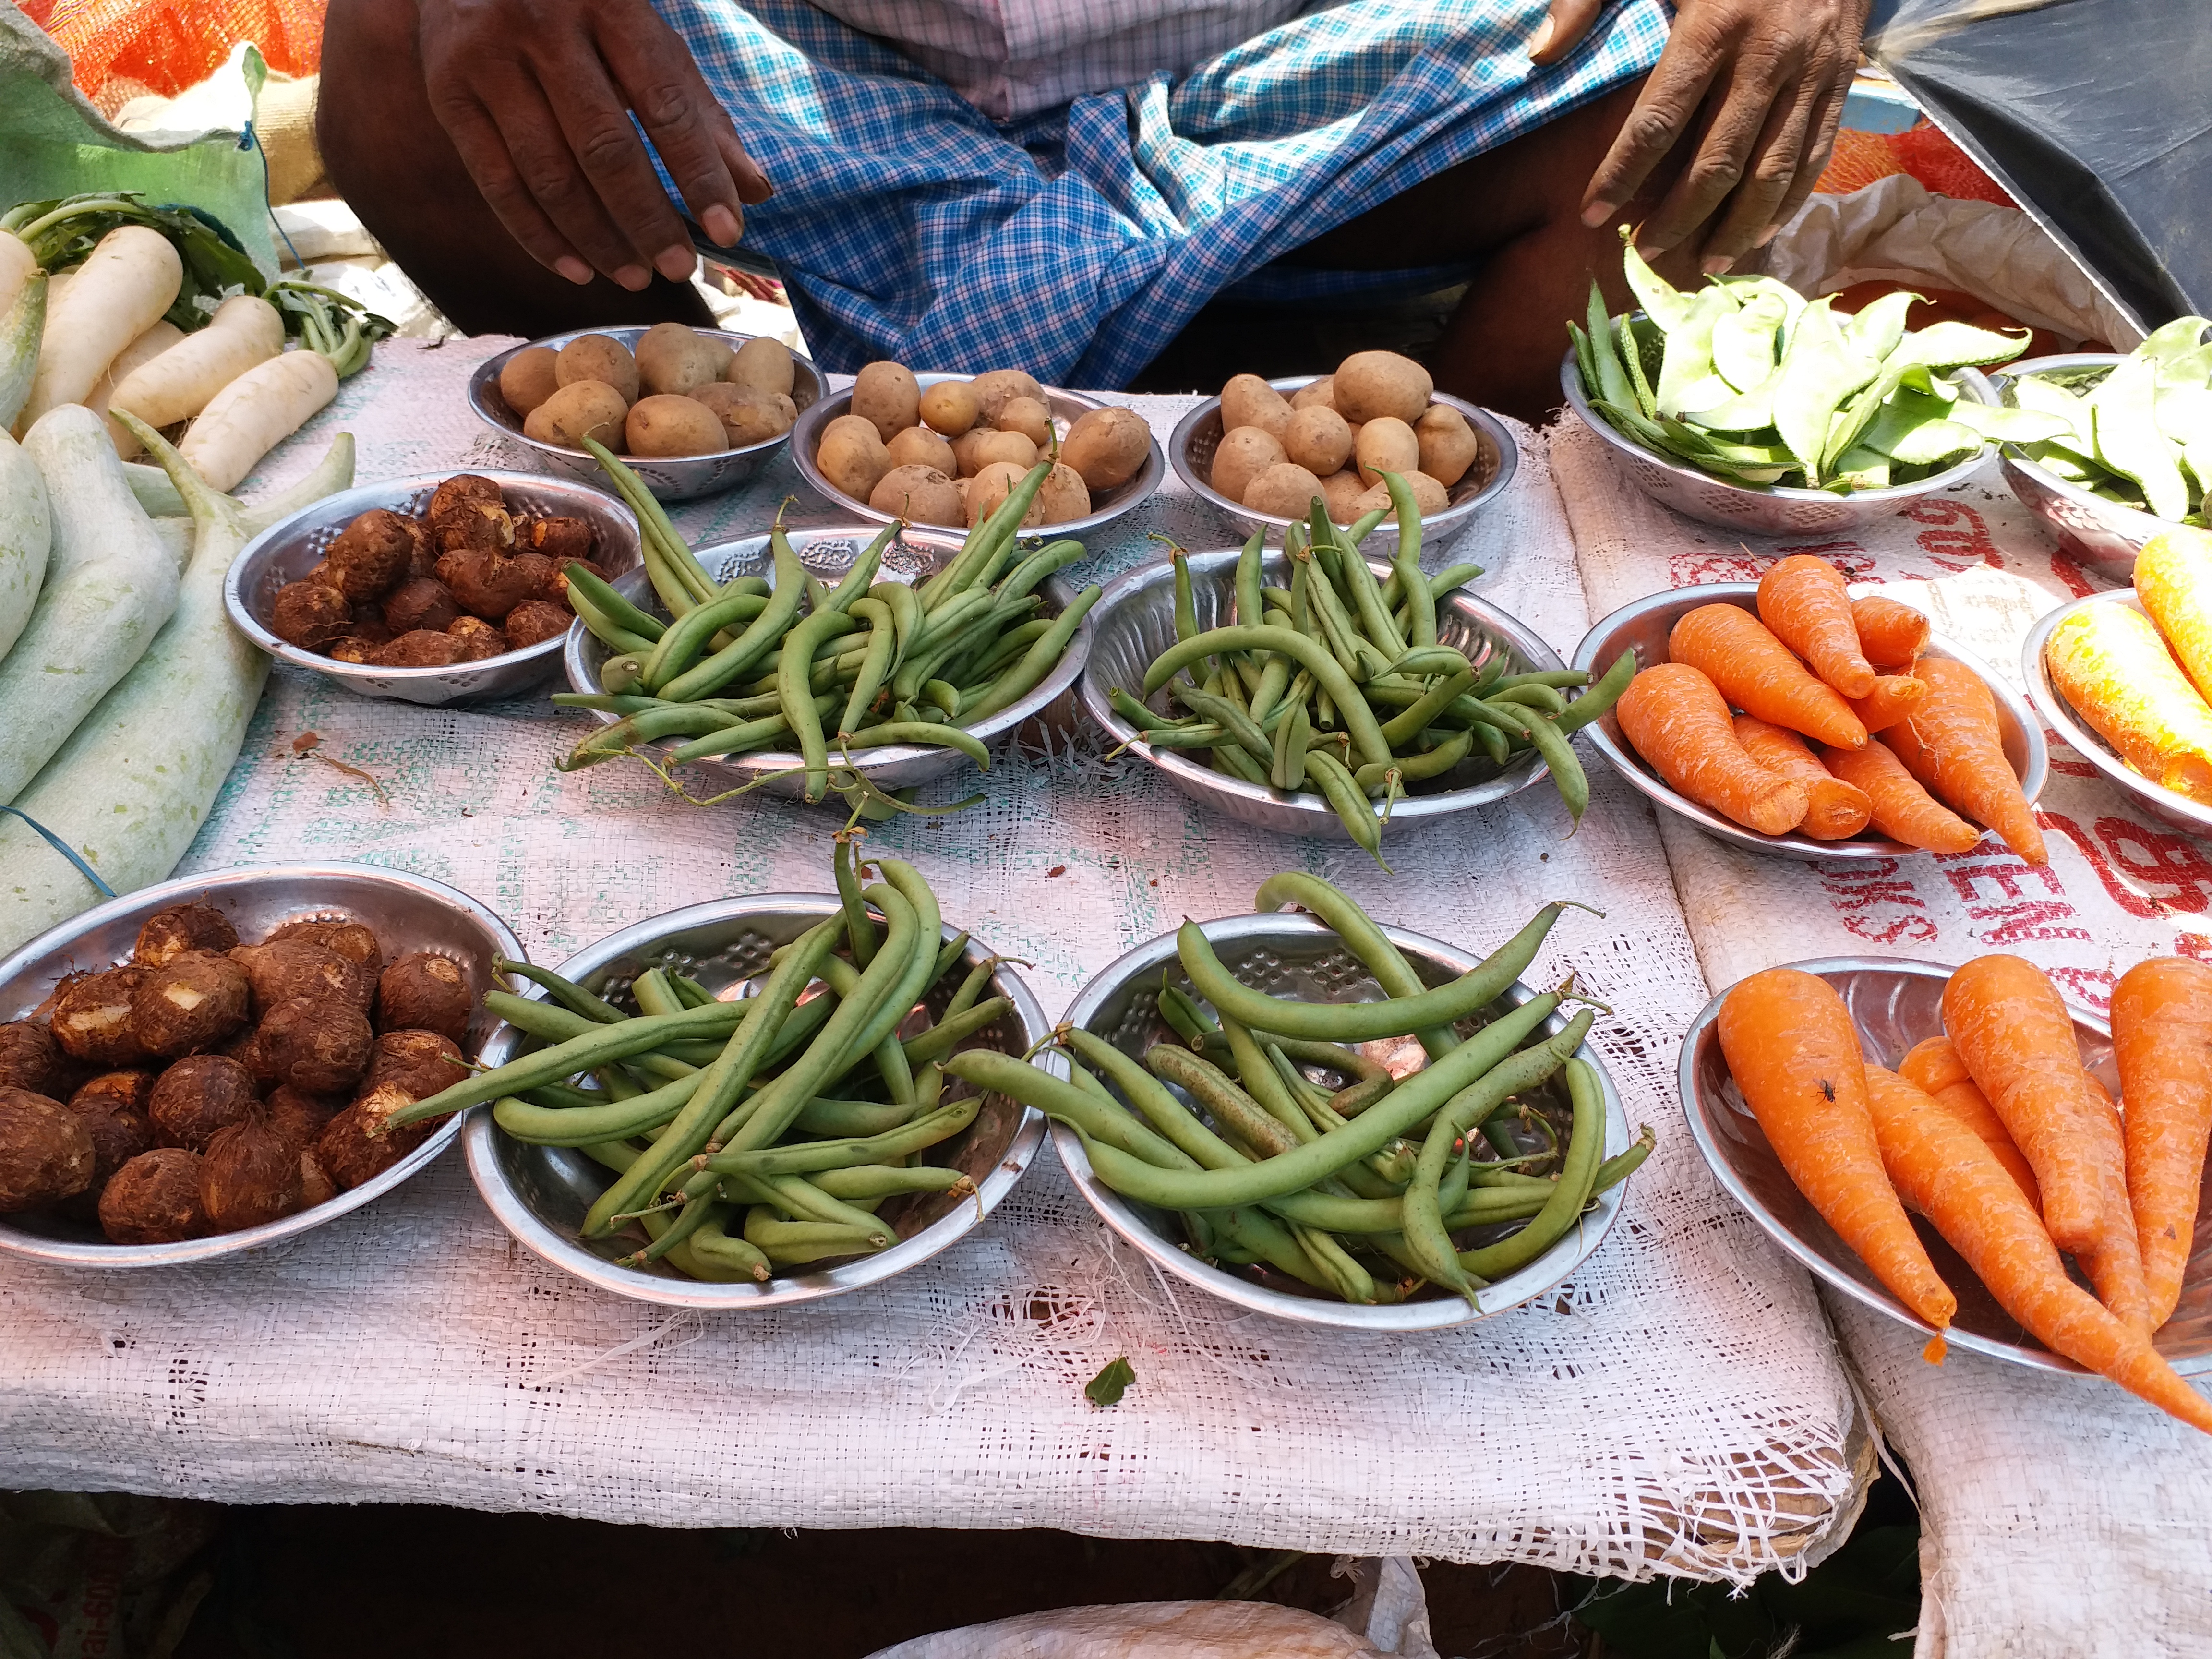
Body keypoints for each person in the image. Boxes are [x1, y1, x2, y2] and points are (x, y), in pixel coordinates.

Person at [318, 0, 1868, 420]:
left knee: (1671, 73)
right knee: (406, 46)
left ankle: (1429, 535)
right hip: (828, 78)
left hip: (1269, 82)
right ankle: (707, 464)